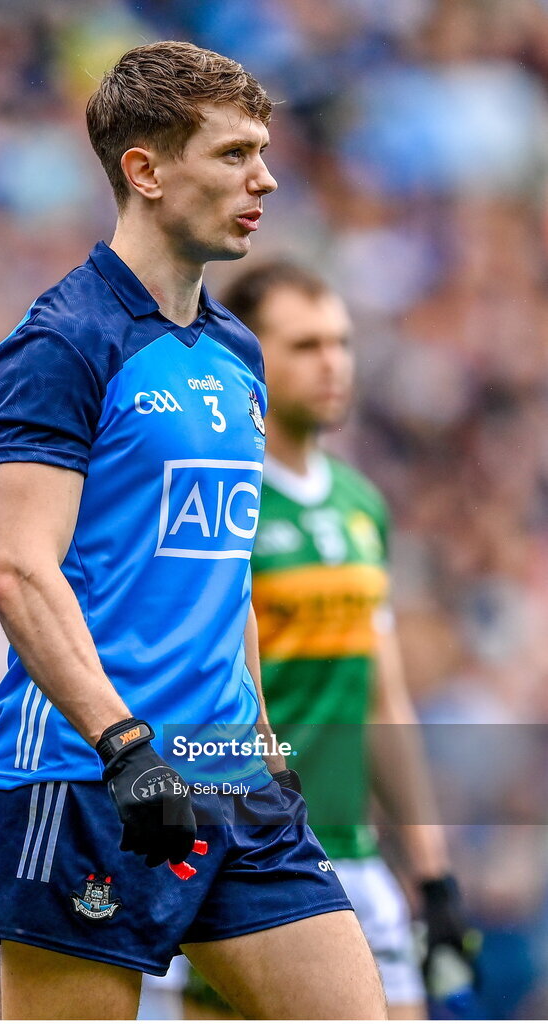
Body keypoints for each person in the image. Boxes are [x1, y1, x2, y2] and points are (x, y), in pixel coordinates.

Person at [0, 42, 386, 1021]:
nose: (266, 178)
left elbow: (220, 574)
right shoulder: (63, 342)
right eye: (235, 153)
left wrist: (266, 749)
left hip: (233, 781)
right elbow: (17, 571)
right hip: (83, 781)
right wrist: (124, 746)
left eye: (264, 151)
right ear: (146, 171)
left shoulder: (238, 354)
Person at [220, 262, 474, 1020]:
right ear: (248, 359)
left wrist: (432, 872)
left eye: (341, 343)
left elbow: (383, 698)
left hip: (352, 852)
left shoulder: (362, 505)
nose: (332, 363)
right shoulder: (221, 498)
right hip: (244, 849)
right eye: (303, 346)